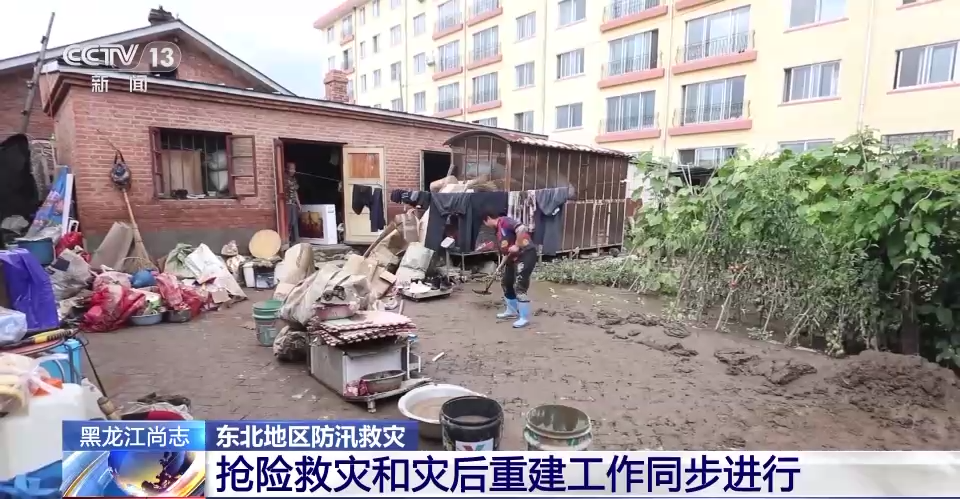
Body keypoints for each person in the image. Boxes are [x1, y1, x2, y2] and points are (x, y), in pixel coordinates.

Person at [482, 212, 537, 328]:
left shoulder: (505, 221)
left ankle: (524, 318)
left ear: (488, 218)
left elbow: (521, 228)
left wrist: (517, 245)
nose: (486, 225)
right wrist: (500, 266)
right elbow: (506, 251)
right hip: (512, 259)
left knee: (519, 285)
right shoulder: (498, 230)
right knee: (507, 282)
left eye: (485, 223)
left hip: (525, 255)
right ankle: (512, 311)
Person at [284, 162, 301, 245]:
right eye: (291, 169)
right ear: (287, 169)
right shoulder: (284, 178)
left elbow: (295, 192)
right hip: (286, 204)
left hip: (293, 203)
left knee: (294, 222)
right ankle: (287, 240)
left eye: (294, 169)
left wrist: (299, 204)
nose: (293, 171)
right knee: (288, 222)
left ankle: (295, 241)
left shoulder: (294, 179)